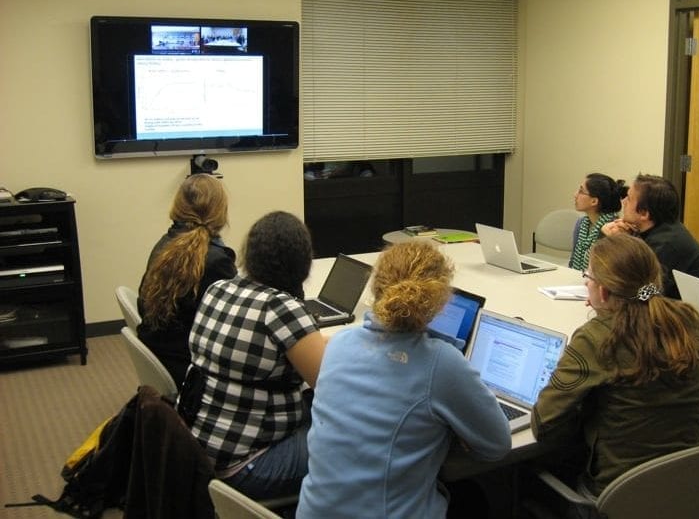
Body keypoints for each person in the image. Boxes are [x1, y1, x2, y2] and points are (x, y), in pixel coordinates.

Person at [296, 241, 511, 518]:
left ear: (375, 289)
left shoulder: (339, 343)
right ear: (441, 300)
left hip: (313, 512)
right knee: (476, 498)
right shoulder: (441, 362)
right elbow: (496, 445)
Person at [532, 235, 699, 500]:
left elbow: (543, 423)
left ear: (604, 291)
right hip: (687, 483)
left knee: (522, 474)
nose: (586, 282)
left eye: (589, 277)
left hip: (621, 493)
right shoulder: (686, 320)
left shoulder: (596, 338)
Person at [180, 211, 326, 500]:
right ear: (302, 262)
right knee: (361, 439)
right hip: (248, 467)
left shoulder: (219, 289)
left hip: (200, 448)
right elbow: (333, 389)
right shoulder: (282, 308)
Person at [137, 174, 236, 389]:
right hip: (192, 368)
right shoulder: (216, 260)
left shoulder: (164, 245)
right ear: (221, 210)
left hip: (165, 351)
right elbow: (233, 326)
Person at [601, 173, 699, 299]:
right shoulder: (658, 230)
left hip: (698, 316)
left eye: (629, 199)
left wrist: (617, 243)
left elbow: (643, 294)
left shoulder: (667, 244)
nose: (623, 201)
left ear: (644, 213)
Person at [568, 173, 628, 271]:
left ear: (594, 201)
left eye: (580, 191)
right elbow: (573, 260)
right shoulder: (581, 223)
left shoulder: (613, 229)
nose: (575, 195)